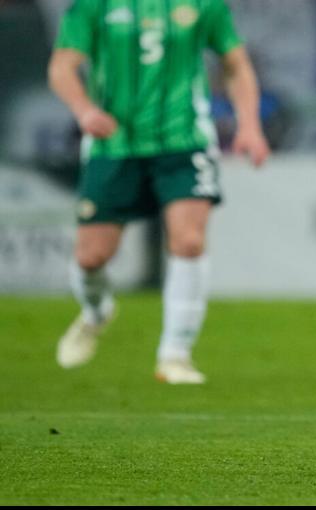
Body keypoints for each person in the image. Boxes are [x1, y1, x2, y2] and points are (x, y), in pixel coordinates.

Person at [49, 0, 271, 384]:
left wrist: (249, 124)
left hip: (185, 140)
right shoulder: (93, 6)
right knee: (91, 257)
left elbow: (235, 63)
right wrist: (84, 110)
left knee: (188, 241)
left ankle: (175, 355)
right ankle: (97, 312)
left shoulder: (204, 5)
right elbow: (62, 66)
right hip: (114, 144)